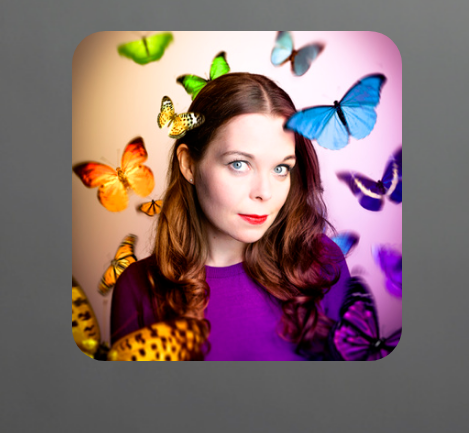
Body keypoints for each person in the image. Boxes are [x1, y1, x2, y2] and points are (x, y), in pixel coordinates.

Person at [112, 72, 350, 360]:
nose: (264, 193)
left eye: (280, 169)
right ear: (188, 164)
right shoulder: (137, 288)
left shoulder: (321, 265)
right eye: (239, 164)